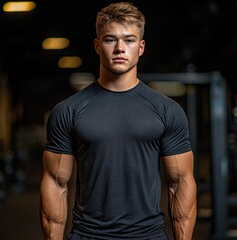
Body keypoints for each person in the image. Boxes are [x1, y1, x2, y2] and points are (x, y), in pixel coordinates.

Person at [40, 2, 197, 240]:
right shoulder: (68, 111)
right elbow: (55, 184)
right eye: (110, 39)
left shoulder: (167, 111)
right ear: (97, 45)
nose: (120, 48)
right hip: (88, 235)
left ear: (141, 47)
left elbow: (180, 184)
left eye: (129, 40)